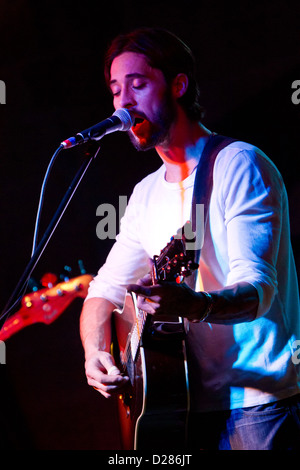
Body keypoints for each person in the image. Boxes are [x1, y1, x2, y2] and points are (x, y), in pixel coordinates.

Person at [79, 27, 300, 450]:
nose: (124, 101)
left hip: (259, 404)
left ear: (178, 85)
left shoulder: (237, 164)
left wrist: (194, 306)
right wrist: (94, 353)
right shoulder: (145, 195)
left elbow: (260, 290)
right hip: (182, 408)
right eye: (114, 90)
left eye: (138, 84)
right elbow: (102, 291)